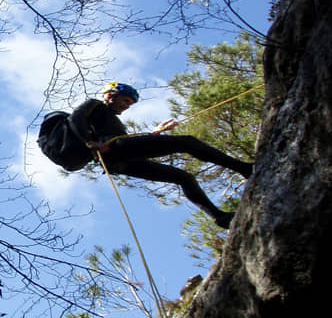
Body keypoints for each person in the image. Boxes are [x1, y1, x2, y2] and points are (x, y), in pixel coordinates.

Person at [69, 81, 253, 229]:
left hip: (120, 161)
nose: (127, 106)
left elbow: (135, 144)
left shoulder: (113, 122)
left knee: (184, 178)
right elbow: (75, 117)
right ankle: (244, 168)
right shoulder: (95, 105)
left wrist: (155, 133)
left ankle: (219, 217)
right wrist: (89, 142)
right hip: (114, 150)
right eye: (125, 101)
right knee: (187, 142)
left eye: (130, 104)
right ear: (110, 96)